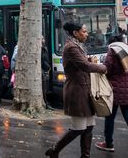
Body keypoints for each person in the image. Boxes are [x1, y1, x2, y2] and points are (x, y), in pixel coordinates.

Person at [45, 21, 107, 158]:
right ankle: (54, 150)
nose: (86, 34)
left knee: (89, 127)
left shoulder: (77, 46)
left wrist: (90, 59)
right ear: (75, 33)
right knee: (78, 128)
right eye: (84, 31)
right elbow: (84, 66)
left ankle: (85, 156)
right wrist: (103, 68)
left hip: (84, 91)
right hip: (76, 92)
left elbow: (83, 62)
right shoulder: (71, 47)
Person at [95, 34, 128, 158]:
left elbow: (106, 69)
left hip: (115, 89)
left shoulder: (112, 51)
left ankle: (108, 143)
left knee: (109, 117)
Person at [41, 36, 53, 110]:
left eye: (43, 38)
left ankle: (46, 103)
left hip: (44, 70)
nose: (44, 40)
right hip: (42, 70)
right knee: (43, 88)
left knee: (45, 88)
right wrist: (48, 66)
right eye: (42, 39)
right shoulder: (41, 49)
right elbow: (42, 60)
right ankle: (46, 104)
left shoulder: (44, 48)